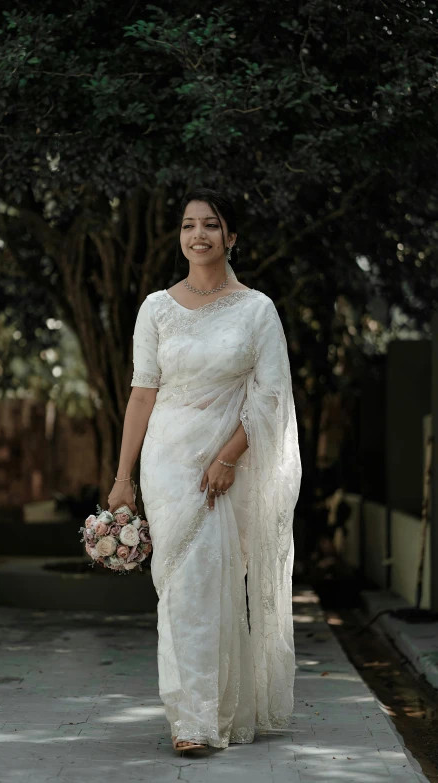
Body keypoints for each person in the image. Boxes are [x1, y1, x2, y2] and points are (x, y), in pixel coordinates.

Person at [107, 188, 302, 753]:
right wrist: (123, 478)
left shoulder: (257, 309)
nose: (199, 235)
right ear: (181, 237)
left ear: (231, 237)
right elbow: (142, 395)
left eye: (211, 225)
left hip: (225, 466)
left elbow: (269, 397)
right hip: (166, 463)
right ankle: (188, 719)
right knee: (179, 589)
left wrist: (227, 457)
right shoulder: (155, 308)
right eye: (190, 225)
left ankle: (209, 713)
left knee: (212, 586)